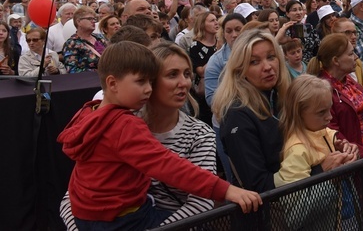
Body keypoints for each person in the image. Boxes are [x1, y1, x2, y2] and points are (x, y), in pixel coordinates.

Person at [58, 41, 262, 230]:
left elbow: (200, 205)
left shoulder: (93, 117)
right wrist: (226, 190)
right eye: (172, 74)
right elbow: (168, 165)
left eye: (187, 74)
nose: (184, 83)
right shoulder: (124, 125)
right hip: (125, 219)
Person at [273, 75, 359, 229]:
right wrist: (328, 179)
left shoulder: (322, 131)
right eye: (321, 112)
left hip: (344, 217)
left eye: (329, 109)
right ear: (299, 113)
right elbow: (295, 215)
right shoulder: (297, 151)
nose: (330, 117)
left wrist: (349, 153)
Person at [212, 30, 291, 192]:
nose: (268, 67)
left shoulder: (280, 96)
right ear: (240, 70)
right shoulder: (237, 115)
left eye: (271, 57)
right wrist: (318, 170)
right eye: (254, 62)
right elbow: (258, 185)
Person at [307, 34, 363, 158]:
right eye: (351, 53)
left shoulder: (351, 83)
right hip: (350, 159)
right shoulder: (321, 91)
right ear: (336, 61)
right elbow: (331, 131)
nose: (356, 57)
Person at [203, 12, 246, 182]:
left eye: (238, 29)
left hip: (256, 120)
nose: (234, 35)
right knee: (234, 177)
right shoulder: (216, 61)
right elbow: (211, 98)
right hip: (225, 125)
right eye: (229, 31)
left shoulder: (257, 53)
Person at [62, 6, 108, 73]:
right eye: (90, 19)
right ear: (79, 22)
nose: (93, 21)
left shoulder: (100, 38)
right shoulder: (71, 43)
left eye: (94, 19)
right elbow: (72, 70)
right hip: (89, 81)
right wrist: (99, 71)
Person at [331, 17, 363, 86]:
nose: (353, 37)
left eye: (355, 33)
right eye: (347, 32)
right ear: (335, 35)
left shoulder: (357, 62)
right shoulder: (327, 63)